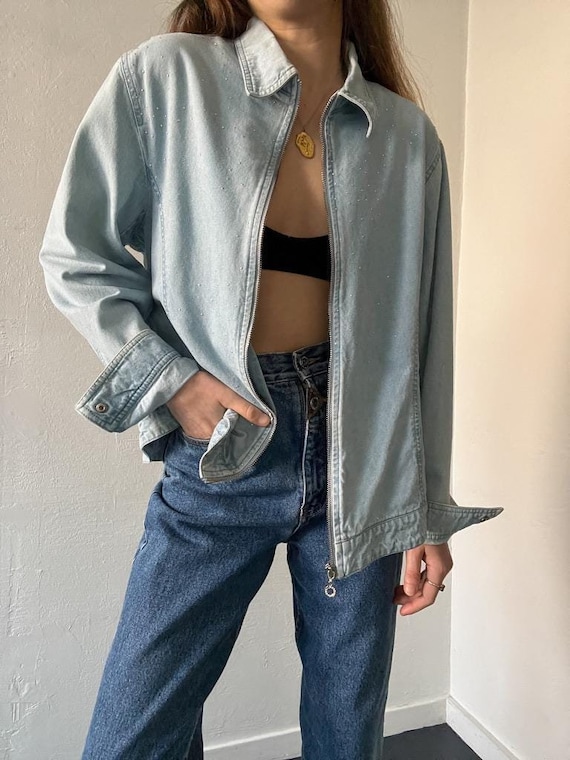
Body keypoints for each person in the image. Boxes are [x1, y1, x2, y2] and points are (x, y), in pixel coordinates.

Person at [38, 0, 504, 757]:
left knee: (346, 737)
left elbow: (424, 338)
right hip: (226, 449)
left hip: (365, 464)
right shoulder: (169, 78)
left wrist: (424, 510)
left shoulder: (407, 138)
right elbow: (76, 256)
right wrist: (174, 383)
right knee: (133, 737)